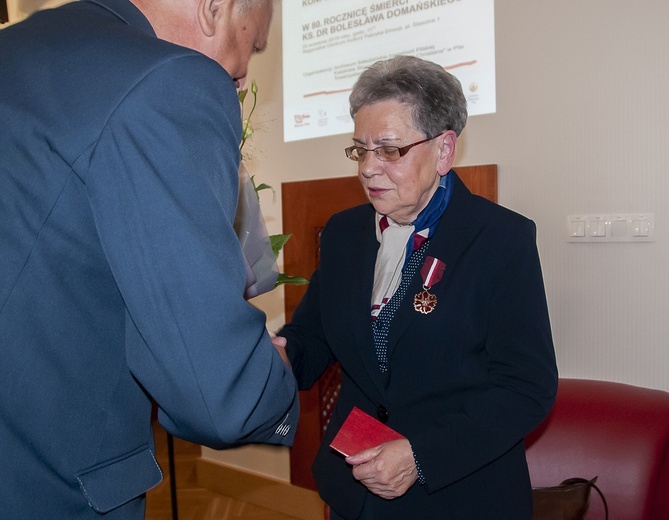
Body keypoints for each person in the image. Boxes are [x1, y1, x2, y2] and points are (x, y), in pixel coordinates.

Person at [0, 0, 299, 518]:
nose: (244, 76)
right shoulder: (168, 83)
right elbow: (217, 394)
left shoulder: (20, 48)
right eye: (250, 49)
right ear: (215, 8)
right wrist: (266, 379)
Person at [276, 55, 558, 520]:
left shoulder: (500, 240)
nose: (368, 168)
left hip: (456, 494)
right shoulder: (344, 233)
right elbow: (316, 338)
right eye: (360, 150)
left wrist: (421, 456)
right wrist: (279, 354)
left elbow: (526, 388)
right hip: (355, 490)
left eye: (389, 149)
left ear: (444, 150)